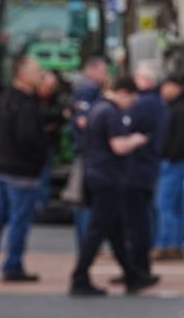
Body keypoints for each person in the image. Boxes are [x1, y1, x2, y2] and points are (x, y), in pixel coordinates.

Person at [70, 76, 157, 296]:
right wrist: (136, 140)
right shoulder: (111, 112)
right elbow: (118, 146)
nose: (131, 106)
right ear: (124, 93)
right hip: (108, 178)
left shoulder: (97, 108)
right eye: (132, 100)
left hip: (97, 175)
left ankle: (132, 275)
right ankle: (80, 276)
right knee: (98, 230)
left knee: (114, 229)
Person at [0, 57, 47, 281]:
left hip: (4, 165)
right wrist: (41, 155)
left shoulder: (7, 97)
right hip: (21, 169)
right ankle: (12, 265)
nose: (41, 76)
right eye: (37, 71)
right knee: (19, 220)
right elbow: (28, 136)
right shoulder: (26, 103)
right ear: (23, 75)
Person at [120, 61, 167, 278]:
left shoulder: (143, 103)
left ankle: (137, 268)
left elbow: (126, 126)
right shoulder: (159, 103)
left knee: (135, 222)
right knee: (141, 218)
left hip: (136, 168)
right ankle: (138, 267)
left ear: (146, 80)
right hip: (148, 167)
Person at [152, 75, 184, 261]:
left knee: (164, 204)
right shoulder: (183, 107)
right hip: (183, 161)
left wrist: (168, 156)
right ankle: (176, 244)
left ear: (177, 87)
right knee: (176, 206)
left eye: (167, 86)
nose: (164, 90)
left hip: (174, 162)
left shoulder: (178, 109)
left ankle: (165, 244)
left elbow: (181, 139)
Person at [69, 57, 109, 249]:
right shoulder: (87, 90)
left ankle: (88, 243)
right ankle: (87, 244)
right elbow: (83, 121)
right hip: (87, 152)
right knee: (85, 200)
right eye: (103, 71)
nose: (106, 75)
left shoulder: (88, 90)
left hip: (87, 151)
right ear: (91, 70)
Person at [36, 71, 67, 210]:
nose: (50, 90)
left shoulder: (55, 99)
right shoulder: (33, 99)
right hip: (36, 145)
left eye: (52, 87)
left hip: (49, 144)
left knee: (45, 177)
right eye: (48, 87)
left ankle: (42, 207)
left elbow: (62, 116)